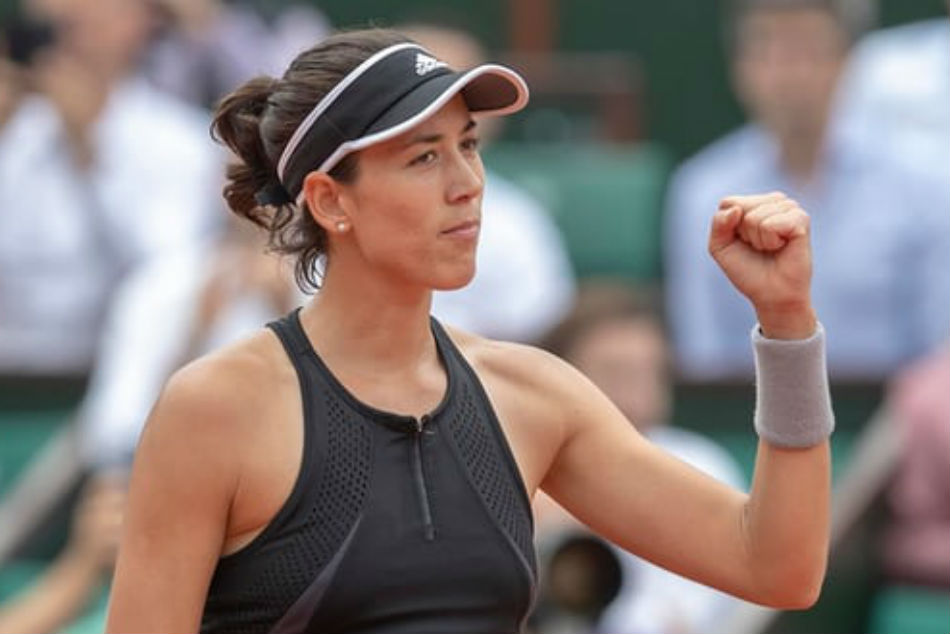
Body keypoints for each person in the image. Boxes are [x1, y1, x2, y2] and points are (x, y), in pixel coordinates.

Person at [106, 28, 834, 633]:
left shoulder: (532, 394)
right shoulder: (215, 409)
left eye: (470, 145)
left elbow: (777, 568)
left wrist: (787, 327)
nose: (468, 183)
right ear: (330, 201)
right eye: (425, 156)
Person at [664, 0, 950, 380]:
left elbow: (937, 355)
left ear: (847, 61)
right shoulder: (701, 190)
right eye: (768, 50)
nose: (791, 72)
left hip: (894, 411)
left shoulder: (926, 184)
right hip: (750, 410)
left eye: (809, 49)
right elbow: (703, 357)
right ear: (739, 67)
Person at [0, 0, 221, 376]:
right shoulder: (16, 126)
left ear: (146, 20)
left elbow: (164, 279)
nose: (81, 16)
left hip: (105, 376)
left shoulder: (181, 140)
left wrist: (90, 151)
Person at [536, 281, 748, 634]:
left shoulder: (701, 465)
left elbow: (688, 617)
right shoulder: (525, 468)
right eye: (615, 372)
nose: (635, 394)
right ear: (564, 377)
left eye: (649, 372)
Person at [396, 22, 576, 343]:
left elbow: (542, 340)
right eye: (428, 96)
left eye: (467, 143)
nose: (468, 184)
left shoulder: (516, 218)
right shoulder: (329, 208)